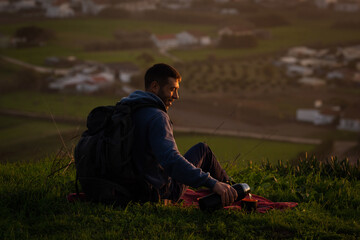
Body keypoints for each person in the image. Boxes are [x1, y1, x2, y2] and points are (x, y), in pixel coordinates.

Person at [120, 63, 238, 207]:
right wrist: (211, 183)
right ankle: (233, 192)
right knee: (203, 150)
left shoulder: (128, 109)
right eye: (172, 89)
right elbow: (171, 160)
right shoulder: (157, 117)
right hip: (156, 192)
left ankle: (230, 190)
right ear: (155, 87)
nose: (176, 96)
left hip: (125, 187)